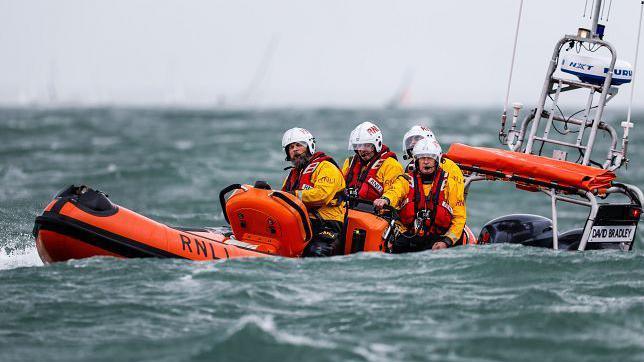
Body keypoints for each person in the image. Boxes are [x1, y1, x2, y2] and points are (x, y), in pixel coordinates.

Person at [391, 138, 466, 253]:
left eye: (430, 157)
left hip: (440, 240)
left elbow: (459, 218)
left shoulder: (450, 184)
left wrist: (446, 241)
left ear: (437, 160)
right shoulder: (405, 180)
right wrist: (384, 199)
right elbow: (394, 193)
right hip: (411, 237)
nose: (426, 162)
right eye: (422, 158)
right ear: (416, 161)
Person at [281, 127, 346, 257]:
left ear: (309, 146)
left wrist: (295, 195)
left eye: (299, 145)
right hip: (299, 222)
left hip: (326, 225)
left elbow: (322, 196)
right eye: (291, 147)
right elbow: (282, 197)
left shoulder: (326, 167)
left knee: (315, 252)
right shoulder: (293, 174)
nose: (295, 149)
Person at [342, 121, 409, 211]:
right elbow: (339, 185)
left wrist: (385, 199)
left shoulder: (391, 165)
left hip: (378, 214)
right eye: (358, 146)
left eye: (366, 145)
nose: (362, 150)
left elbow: (396, 190)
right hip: (350, 211)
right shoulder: (350, 162)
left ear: (376, 144)